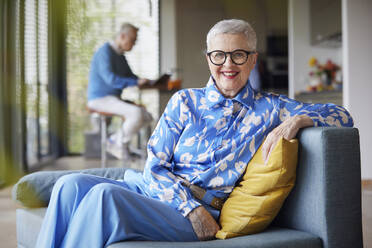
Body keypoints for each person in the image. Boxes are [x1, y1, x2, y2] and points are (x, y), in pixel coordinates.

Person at [36, 19, 353, 247]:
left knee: (105, 198)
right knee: (69, 184)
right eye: (219, 55)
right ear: (208, 58)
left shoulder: (271, 108)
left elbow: (342, 116)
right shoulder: (184, 101)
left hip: (200, 208)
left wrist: (297, 121)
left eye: (239, 54)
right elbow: (155, 166)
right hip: (165, 195)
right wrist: (190, 208)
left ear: (253, 59)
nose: (227, 64)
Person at [87, 22, 153, 160]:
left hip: (113, 99)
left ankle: (119, 142)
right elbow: (111, 80)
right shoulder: (104, 52)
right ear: (123, 36)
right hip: (100, 99)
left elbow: (130, 76)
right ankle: (116, 142)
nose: (134, 44)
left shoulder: (120, 56)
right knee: (136, 113)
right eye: (133, 40)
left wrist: (143, 80)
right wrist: (135, 82)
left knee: (147, 117)